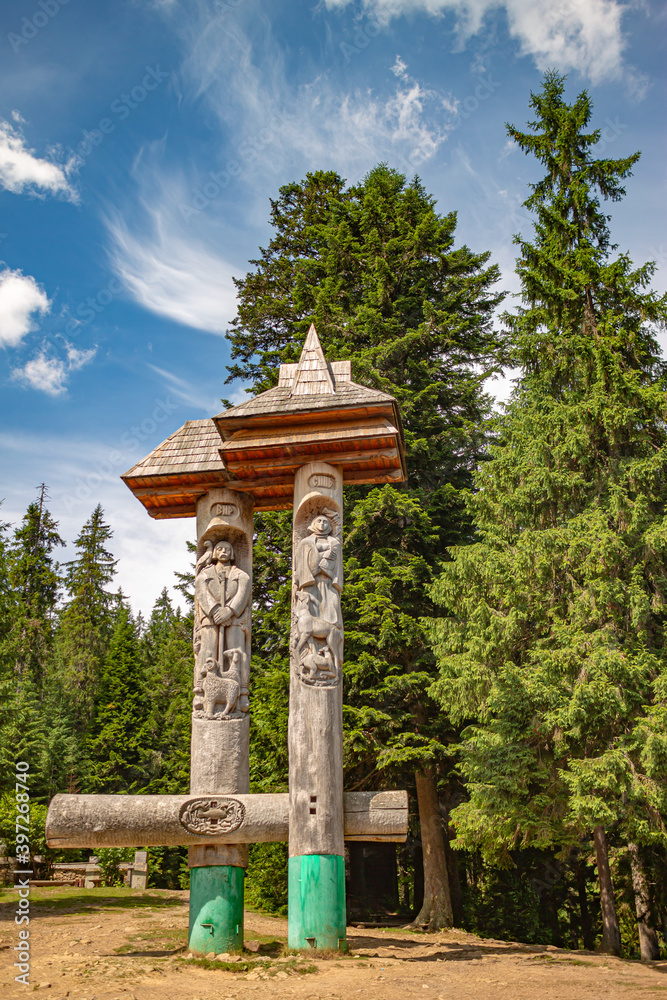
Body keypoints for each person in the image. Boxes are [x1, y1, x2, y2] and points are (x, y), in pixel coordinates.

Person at [194, 539, 251, 707]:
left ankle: (241, 692)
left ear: (232, 553)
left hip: (235, 617)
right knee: (207, 650)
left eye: (227, 548)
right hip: (210, 618)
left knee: (236, 651)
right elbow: (201, 590)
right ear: (214, 553)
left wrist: (230, 610)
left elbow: (244, 590)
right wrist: (214, 609)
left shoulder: (240, 574)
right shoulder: (206, 573)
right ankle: (200, 691)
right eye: (220, 548)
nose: (224, 551)